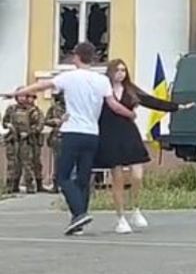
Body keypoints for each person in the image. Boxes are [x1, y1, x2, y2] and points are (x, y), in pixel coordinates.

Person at [2, 42, 135, 235]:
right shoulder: (102, 81)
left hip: (73, 133)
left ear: (76, 57)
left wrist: (15, 93)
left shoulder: (69, 77)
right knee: (83, 177)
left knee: (63, 176)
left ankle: (80, 213)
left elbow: (42, 85)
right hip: (92, 134)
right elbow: (113, 105)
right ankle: (78, 221)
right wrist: (129, 114)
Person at [95, 59, 196, 234]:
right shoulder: (102, 89)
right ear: (110, 72)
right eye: (117, 70)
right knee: (117, 178)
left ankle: (136, 208)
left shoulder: (131, 90)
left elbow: (152, 102)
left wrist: (178, 107)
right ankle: (120, 217)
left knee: (137, 174)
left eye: (123, 70)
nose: (121, 73)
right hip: (109, 135)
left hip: (129, 133)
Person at [2, 91, 44, 194]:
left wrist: (29, 133)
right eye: (19, 96)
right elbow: (4, 122)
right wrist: (8, 126)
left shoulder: (33, 110)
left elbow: (39, 125)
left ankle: (30, 185)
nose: (21, 98)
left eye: (23, 96)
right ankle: (11, 186)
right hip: (13, 139)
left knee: (27, 163)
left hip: (27, 140)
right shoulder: (11, 109)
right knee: (13, 163)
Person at [44, 93, 66, 193]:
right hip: (58, 136)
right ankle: (56, 184)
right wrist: (54, 121)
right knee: (58, 161)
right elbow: (45, 120)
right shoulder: (54, 108)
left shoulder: (75, 105)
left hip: (72, 135)